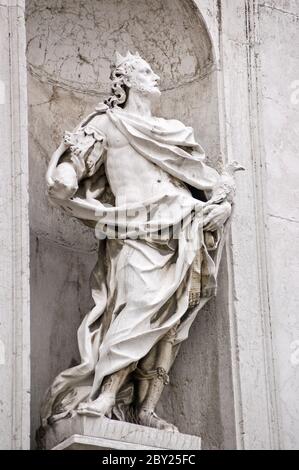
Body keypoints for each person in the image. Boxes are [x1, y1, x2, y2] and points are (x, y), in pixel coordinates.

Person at [41, 51, 241, 432]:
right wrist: (66, 175)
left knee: (173, 321)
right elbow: (80, 159)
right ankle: (105, 394)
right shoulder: (108, 122)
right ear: (125, 80)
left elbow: (206, 183)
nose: (156, 76)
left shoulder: (175, 132)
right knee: (136, 307)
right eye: (146, 71)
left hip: (185, 226)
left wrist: (223, 205)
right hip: (133, 228)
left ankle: (147, 408)